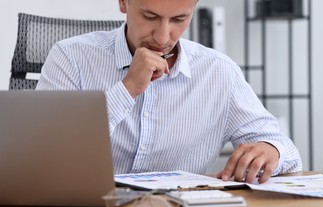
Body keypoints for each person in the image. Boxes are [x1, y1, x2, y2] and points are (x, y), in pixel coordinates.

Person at [36, 0, 302, 184]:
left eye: (178, 19)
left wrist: (270, 150)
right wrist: (127, 89)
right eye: (150, 17)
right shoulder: (70, 57)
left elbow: (287, 152)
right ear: (123, 2)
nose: (163, 37)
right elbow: (44, 155)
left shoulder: (219, 72)